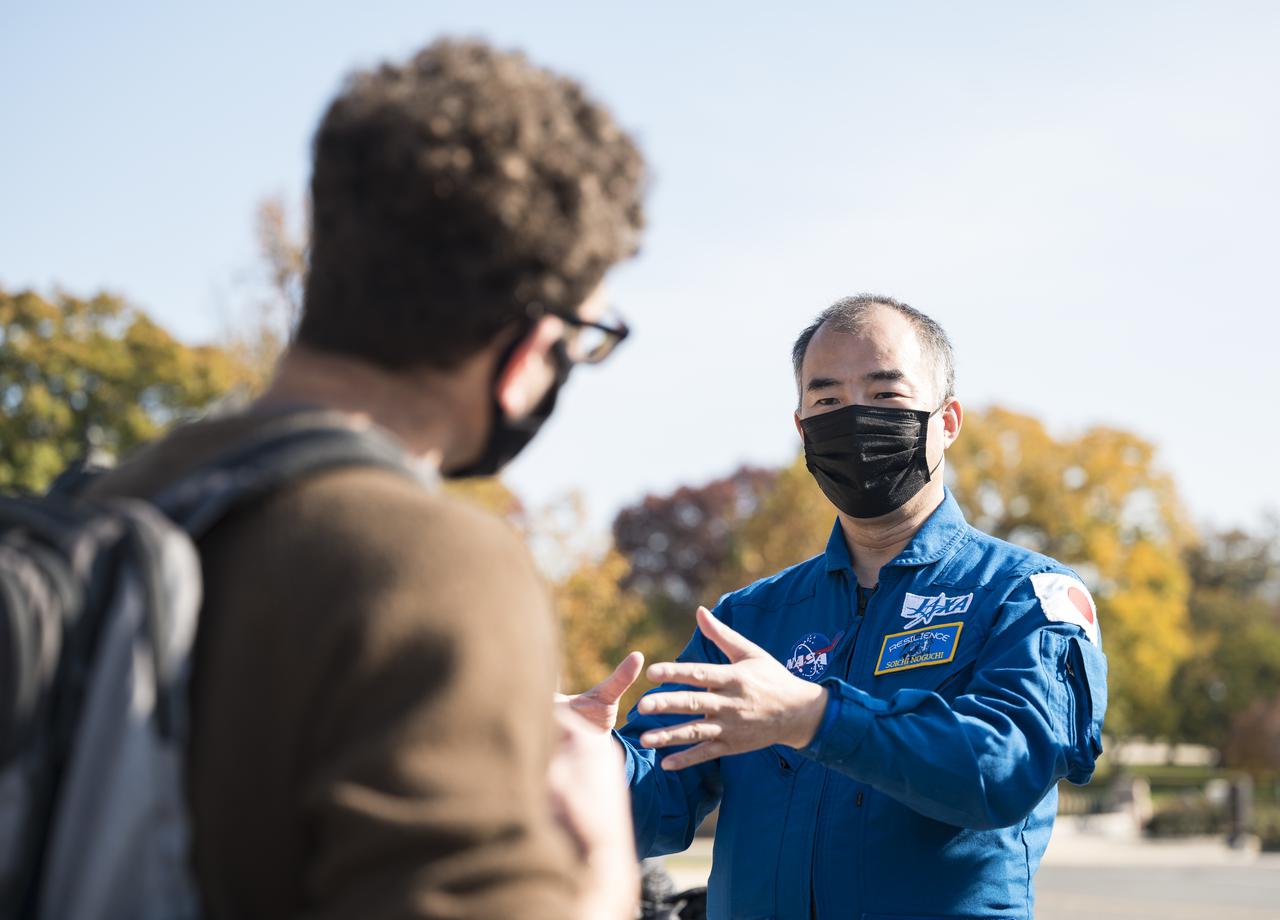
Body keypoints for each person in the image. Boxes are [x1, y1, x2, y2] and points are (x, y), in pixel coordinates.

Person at [90, 39, 646, 920]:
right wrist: (603, 856)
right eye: (582, 340)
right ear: (528, 346)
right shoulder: (431, 567)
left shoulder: (112, 502)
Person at [568, 295, 1108, 920]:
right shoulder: (749, 619)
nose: (854, 419)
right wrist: (583, 757)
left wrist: (814, 716)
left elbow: (1004, 770)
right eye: (827, 401)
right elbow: (655, 805)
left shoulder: (1022, 594)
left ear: (948, 421)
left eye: (884, 396)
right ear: (802, 428)